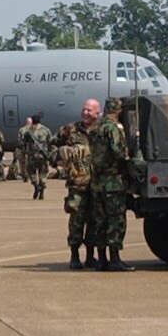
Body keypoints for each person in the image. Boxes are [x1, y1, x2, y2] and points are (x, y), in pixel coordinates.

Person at [88, 96, 135, 270]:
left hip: (96, 182)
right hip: (113, 183)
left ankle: (101, 260)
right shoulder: (112, 128)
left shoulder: (94, 128)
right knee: (116, 220)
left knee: (100, 221)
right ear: (118, 111)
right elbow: (119, 153)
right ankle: (115, 259)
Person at [61, 104, 97, 269]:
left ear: (97, 112)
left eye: (89, 110)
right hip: (77, 184)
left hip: (97, 184)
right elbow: (52, 145)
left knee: (95, 221)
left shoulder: (102, 130)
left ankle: (91, 256)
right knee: (76, 221)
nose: (85, 112)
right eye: (83, 109)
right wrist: (60, 157)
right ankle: (74, 256)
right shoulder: (70, 129)